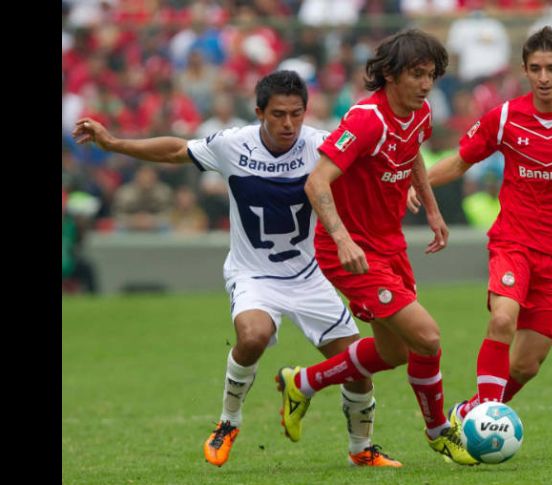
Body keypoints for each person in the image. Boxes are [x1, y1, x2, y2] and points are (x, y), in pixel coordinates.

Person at [71, 70, 401, 468]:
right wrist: (114, 143)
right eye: (278, 114)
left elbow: (374, 166)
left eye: (296, 114)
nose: (288, 124)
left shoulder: (320, 145)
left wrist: (411, 186)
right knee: (253, 335)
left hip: (310, 274)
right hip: (254, 274)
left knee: (357, 366)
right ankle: (228, 422)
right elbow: (176, 150)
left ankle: (360, 449)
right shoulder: (233, 145)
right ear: (259, 112)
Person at [408, 26, 552, 426]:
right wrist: (417, 183)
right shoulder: (504, 117)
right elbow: (461, 159)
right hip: (514, 240)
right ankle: (485, 421)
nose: (544, 77)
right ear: (525, 71)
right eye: (536, 68)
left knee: (528, 363)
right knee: (502, 319)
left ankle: (470, 410)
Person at [275, 28, 478, 466]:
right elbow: (317, 182)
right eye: (417, 75)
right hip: (350, 251)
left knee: (394, 352)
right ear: (390, 74)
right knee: (427, 338)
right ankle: (439, 431)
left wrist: (432, 209)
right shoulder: (367, 118)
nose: (425, 85)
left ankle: (303, 383)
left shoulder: (419, 113)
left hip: (389, 244)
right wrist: (343, 239)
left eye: (431, 75)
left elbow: (413, 155)